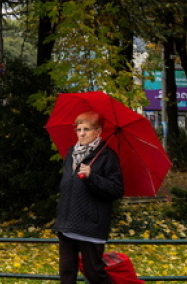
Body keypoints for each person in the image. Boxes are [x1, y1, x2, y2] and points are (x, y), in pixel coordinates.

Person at [55, 111, 124, 284]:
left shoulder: (108, 157)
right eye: (78, 129)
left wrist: (92, 176)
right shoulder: (71, 153)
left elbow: (117, 190)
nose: (82, 133)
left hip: (90, 226)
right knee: (66, 273)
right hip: (67, 223)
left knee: (94, 273)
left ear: (98, 131)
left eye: (86, 129)